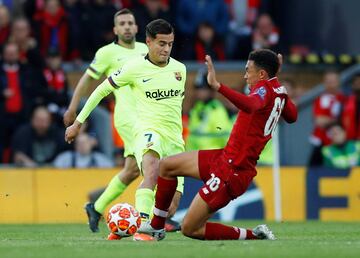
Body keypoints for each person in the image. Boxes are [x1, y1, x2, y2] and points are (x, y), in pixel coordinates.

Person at [135, 49, 298, 241]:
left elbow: (252, 105)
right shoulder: (277, 90)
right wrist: (275, 81)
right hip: (223, 157)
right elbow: (292, 116)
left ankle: (254, 235)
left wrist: (218, 86)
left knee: (190, 228)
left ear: (262, 74)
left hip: (233, 170)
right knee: (166, 165)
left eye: (248, 70)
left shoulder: (263, 91)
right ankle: (156, 226)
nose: (245, 75)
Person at [65, 19, 186, 237]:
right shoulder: (127, 63)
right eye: (161, 44)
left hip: (174, 139)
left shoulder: (180, 69)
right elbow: (100, 89)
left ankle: (106, 212)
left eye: (170, 44)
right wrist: (77, 121)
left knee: (165, 199)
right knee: (149, 170)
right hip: (142, 127)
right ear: (149, 42)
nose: (166, 49)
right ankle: (143, 226)